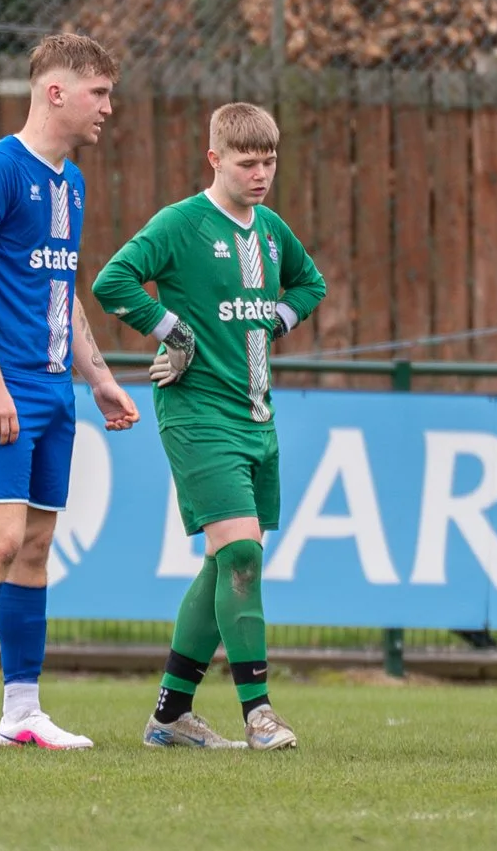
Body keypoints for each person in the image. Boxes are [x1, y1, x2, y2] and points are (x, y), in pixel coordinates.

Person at [93, 103, 327, 751]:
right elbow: (111, 280)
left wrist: (277, 318)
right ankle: (260, 713)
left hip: (257, 414)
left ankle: (170, 715)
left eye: (269, 161)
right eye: (247, 162)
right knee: (244, 553)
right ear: (214, 158)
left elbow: (311, 284)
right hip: (196, 413)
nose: (259, 174)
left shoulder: (272, 231)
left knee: (227, 559)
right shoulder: (181, 224)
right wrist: (170, 328)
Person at [0, 33, 143, 751]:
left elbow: (61, 290)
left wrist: (101, 378)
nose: (109, 108)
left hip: (55, 391)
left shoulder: (71, 183)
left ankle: (22, 708)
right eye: (99, 93)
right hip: (0, 385)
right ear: (55, 91)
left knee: (36, 545)